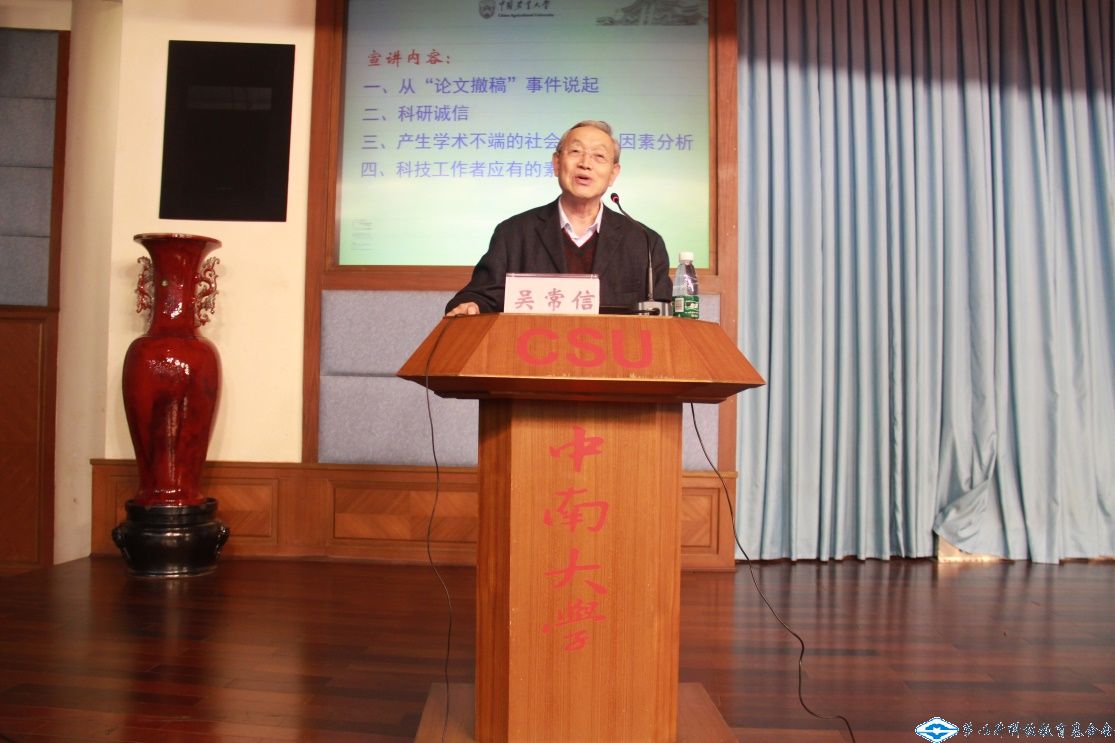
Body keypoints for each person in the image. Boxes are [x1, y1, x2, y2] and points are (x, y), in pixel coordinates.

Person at [444, 120, 672, 316]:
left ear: (613, 173)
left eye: (599, 156)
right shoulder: (514, 234)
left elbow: (664, 313)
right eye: (576, 151)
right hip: (531, 351)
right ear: (556, 163)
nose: (585, 164)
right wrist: (472, 305)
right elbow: (482, 296)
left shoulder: (644, 242)